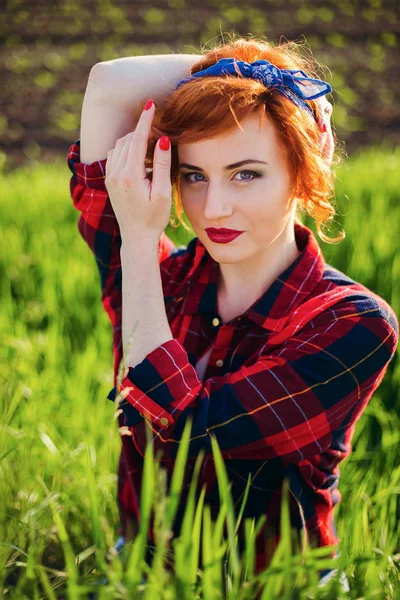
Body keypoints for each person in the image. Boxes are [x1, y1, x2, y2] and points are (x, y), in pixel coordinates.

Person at [67, 36, 398, 593]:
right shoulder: (162, 280)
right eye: (194, 176)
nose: (213, 207)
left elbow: (194, 434)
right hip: (139, 568)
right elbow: (106, 86)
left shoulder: (355, 324)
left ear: (301, 171)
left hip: (274, 583)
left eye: (246, 173)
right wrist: (248, 75)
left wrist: (284, 91)